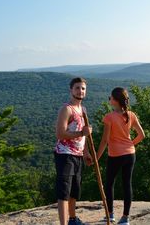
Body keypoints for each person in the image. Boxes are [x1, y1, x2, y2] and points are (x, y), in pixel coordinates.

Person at [96, 87, 145, 225]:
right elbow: (142, 135)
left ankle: (110, 215)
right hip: (130, 154)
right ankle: (125, 218)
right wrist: (130, 145)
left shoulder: (109, 117)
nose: (109, 99)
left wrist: (96, 158)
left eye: (110, 97)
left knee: (110, 184)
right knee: (127, 184)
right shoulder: (131, 115)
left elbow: (105, 141)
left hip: (115, 155)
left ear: (116, 101)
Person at [54, 77, 93, 225]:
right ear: (71, 90)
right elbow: (60, 133)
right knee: (64, 191)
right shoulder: (66, 109)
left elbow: (85, 135)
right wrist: (81, 134)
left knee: (74, 190)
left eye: (83, 88)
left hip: (77, 155)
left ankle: (72, 219)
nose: (80, 91)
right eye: (77, 88)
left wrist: (86, 152)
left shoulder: (83, 109)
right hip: (64, 154)